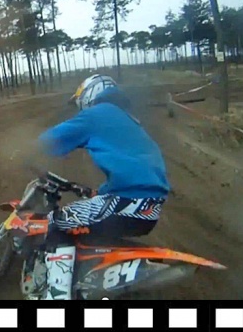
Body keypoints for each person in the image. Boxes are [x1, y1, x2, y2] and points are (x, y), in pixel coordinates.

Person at [28, 74, 171, 300]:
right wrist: (101, 192)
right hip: (149, 207)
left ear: (90, 94)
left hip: (126, 201)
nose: (80, 107)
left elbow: (53, 139)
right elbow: (130, 167)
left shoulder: (98, 113)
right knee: (89, 228)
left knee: (55, 223)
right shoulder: (129, 121)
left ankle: (57, 297)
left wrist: (25, 149)